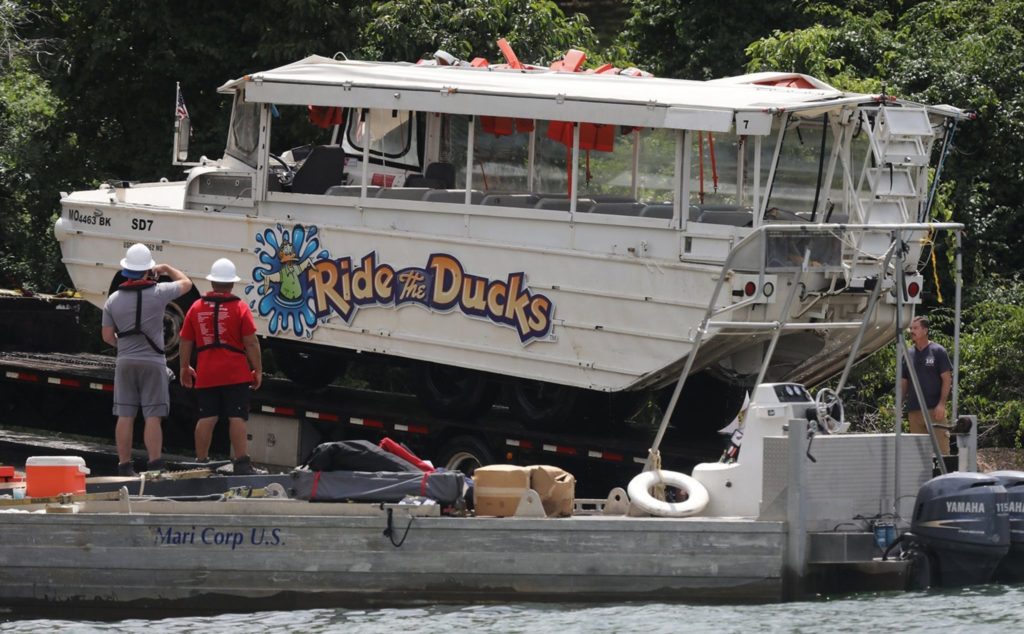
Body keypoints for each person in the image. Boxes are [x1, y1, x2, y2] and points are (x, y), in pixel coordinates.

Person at [102, 243, 193, 476]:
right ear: (147, 270)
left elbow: (106, 336)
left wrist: (123, 346)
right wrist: (166, 268)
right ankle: (154, 466)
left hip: (125, 362)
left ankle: (124, 466)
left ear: (126, 271)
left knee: (125, 415)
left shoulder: (113, 299)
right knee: (153, 416)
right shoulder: (159, 292)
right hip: (153, 362)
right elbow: (187, 283)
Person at [179, 258, 263, 475]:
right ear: (232, 284)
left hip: (207, 372)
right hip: (235, 372)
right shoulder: (240, 308)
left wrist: (185, 367)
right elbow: (251, 342)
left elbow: (186, 340)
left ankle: (201, 460)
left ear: (213, 282)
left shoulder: (196, 307)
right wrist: (258, 369)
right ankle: (242, 463)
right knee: (237, 416)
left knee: (207, 416)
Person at [901, 315, 953, 455]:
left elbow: (947, 379)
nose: (912, 331)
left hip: (934, 411)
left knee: (942, 452)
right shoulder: (907, 353)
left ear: (925, 330)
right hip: (914, 411)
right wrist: (899, 404)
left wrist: (942, 404)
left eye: (916, 328)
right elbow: (904, 382)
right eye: (911, 328)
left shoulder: (938, 351)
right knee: (919, 455)